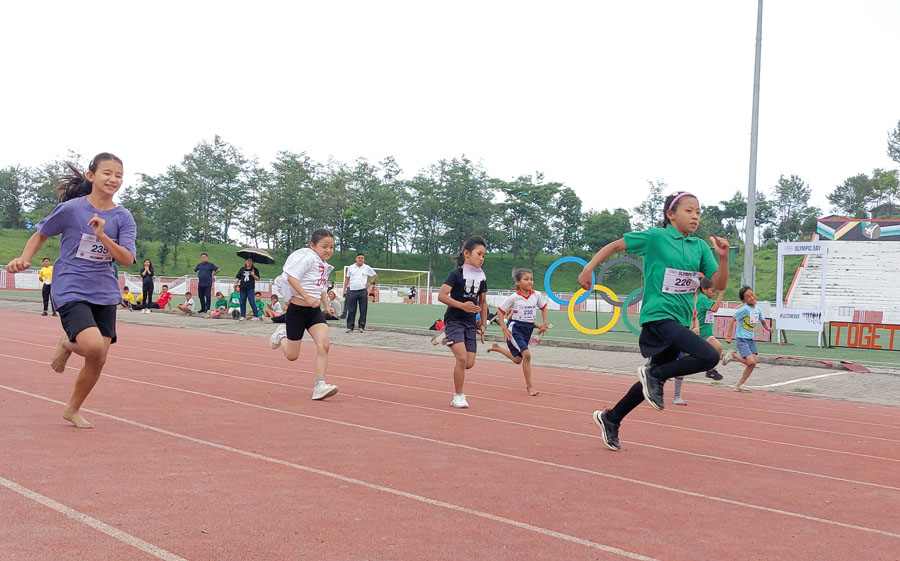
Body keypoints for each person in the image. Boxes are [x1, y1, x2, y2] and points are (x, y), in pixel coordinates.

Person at [580, 192, 730, 450]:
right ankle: (656, 374)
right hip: (658, 316)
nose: (695, 216)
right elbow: (616, 246)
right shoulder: (656, 238)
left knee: (649, 383)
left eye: (698, 212)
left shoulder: (699, 247)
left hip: (680, 320)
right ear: (671, 215)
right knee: (709, 356)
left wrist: (724, 258)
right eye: (689, 210)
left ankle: (611, 418)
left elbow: (717, 284)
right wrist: (588, 268)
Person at [5, 152, 137, 429]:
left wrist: (102, 235)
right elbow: (41, 232)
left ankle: (72, 409)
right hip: (71, 285)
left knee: (98, 357)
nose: (113, 179)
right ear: (91, 176)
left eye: (119, 175)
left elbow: (126, 259)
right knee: (90, 346)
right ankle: (67, 342)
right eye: (107, 173)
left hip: (104, 290)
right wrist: (24, 258)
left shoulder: (123, 218)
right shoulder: (72, 210)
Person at [269, 229, 340, 401]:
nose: (329, 250)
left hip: (314, 313)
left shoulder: (324, 265)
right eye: (324, 246)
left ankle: (319, 385)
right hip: (297, 311)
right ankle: (281, 335)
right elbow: (291, 277)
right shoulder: (307, 258)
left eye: (331, 247)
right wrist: (307, 297)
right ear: (312, 245)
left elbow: (321, 287)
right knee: (292, 356)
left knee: (324, 345)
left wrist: (326, 305)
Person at [436, 235, 488, 409]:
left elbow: (483, 302)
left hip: (470, 323)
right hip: (454, 319)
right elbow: (442, 296)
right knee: (462, 358)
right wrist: (462, 306)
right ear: (467, 253)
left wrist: (483, 324)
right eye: (479, 254)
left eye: (483, 256)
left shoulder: (482, 276)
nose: (481, 258)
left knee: (469, 363)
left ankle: (447, 337)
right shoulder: (456, 274)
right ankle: (458, 396)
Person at [488, 269, 548, 396]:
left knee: (517, 360)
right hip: (515, 329)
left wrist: (543, 324)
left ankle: (497, 348)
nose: (530, 282)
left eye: (531, 279)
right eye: (526, 279)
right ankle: (530, 387)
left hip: (528, 329)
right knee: (527, 355)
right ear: (518, 282)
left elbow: (543, 308)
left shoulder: (536, 295)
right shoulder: (514, 297)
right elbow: (500, 311)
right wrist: (504, 328)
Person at [725, 286, 774, 392]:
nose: (752, 298)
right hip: (742, 338)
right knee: (751, 362)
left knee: (752, 363)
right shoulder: (744, 309)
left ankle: (739, 385)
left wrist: (768, 329)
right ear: (744, 300)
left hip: (751, 339)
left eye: (752, 294)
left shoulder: (758, 309)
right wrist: (729, 335)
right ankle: (733, 354)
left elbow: (763, 322)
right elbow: (732, 320)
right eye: (748, 297)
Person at [342, 252, 377, 333]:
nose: (360, 259)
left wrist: (369, 284)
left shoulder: (367, 268)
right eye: (359, 258)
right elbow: (347, 279)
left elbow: (375, 275)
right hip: (352, 290)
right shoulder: (351, 267)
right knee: (351, 309)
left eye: (362, 258)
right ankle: (350, 327)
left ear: (364, 259)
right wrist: (344, 289)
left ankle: (361, 326)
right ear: (356, 259)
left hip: (362, 291)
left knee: (363, 309)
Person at [193, 253, 220, 318]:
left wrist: (212, 275)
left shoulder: (210, 265)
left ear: (207, 258)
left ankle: (207, 308)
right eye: (202, 257)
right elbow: (194, 270)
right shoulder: (199, 265)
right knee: (201, 296)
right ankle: (202, 308)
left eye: (204, 257)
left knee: (208, 296)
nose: (203, 258)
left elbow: (218, 269)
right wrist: (198, 275)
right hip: (201, 283)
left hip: (207, 283)